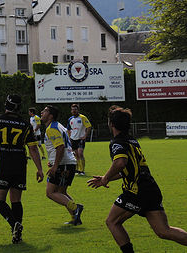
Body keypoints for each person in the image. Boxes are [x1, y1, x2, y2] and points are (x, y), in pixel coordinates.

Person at [87, 106, 187, 252]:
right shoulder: (132, 140)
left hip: (136, 191)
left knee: (112, 222)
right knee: (163, 231)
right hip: (150, 188)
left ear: (111, 124)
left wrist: (106, 179)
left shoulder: (117, 142)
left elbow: (120, 163)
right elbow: (127, 170)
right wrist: (105, 178)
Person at [0, 95, 44, 244]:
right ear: (18, 107)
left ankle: (14, 224)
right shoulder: (25, 124)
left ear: (6, 105)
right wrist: (39, 169)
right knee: (16, 200)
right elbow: (33, 149)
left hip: (2, 164)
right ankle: (17, 235)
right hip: (20, 165)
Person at [40, 105, 83, 226]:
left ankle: (76, 208)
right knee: (61, 192)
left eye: (45, 111)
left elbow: (60, 147)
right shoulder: (59, 126)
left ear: (51, 115)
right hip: (68, 163)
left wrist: (55, 166)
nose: (42, 112)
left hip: (63, 164)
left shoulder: (51, 128)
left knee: (50, 192)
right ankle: (75, 218)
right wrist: (53, 161)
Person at [67, 104, 92, 175]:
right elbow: (68, 129)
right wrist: (69, 137)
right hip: (73, 139)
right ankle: (77, 169)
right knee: (75, 155)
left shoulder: (82, 117)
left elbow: (89, 126)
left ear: (78, 110)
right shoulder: (70, 119)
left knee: (80, 153)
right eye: (72, 109)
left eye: (75, 109)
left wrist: (85, 135)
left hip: (80, 138)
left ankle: (82, 170)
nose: (74, 111)